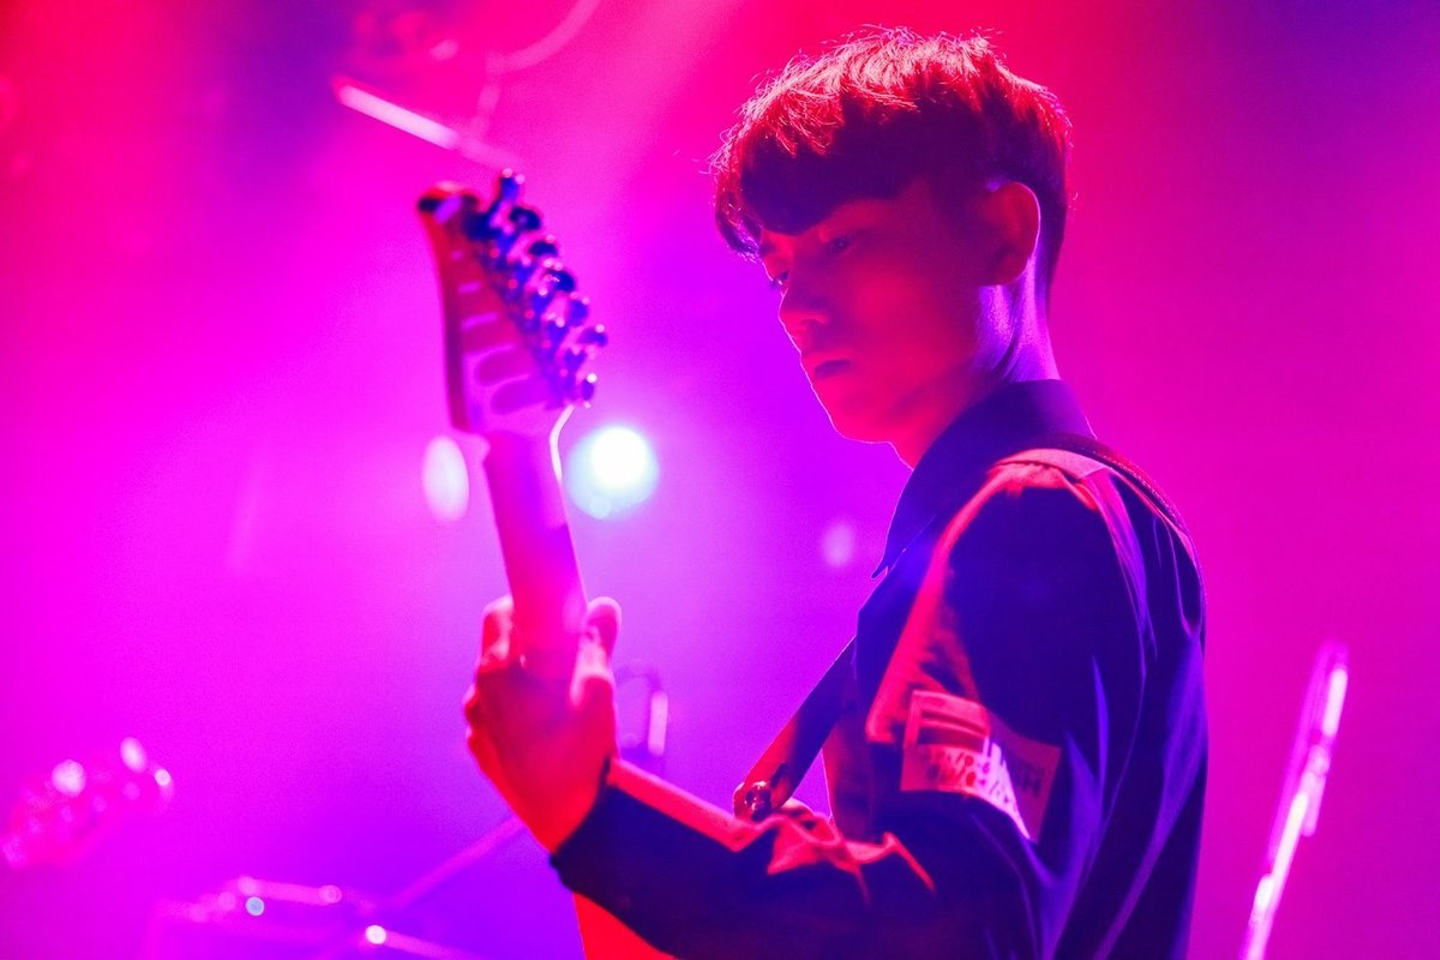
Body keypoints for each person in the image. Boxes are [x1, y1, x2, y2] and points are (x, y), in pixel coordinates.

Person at [463, 28, 1207, 959]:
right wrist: (604, 823)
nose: (794, 307)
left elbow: (958, 933)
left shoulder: (1032, 514)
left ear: (1002, 234)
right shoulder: (1059, 518)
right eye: (781, 268)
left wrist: (594, 813)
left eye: (842, 241)